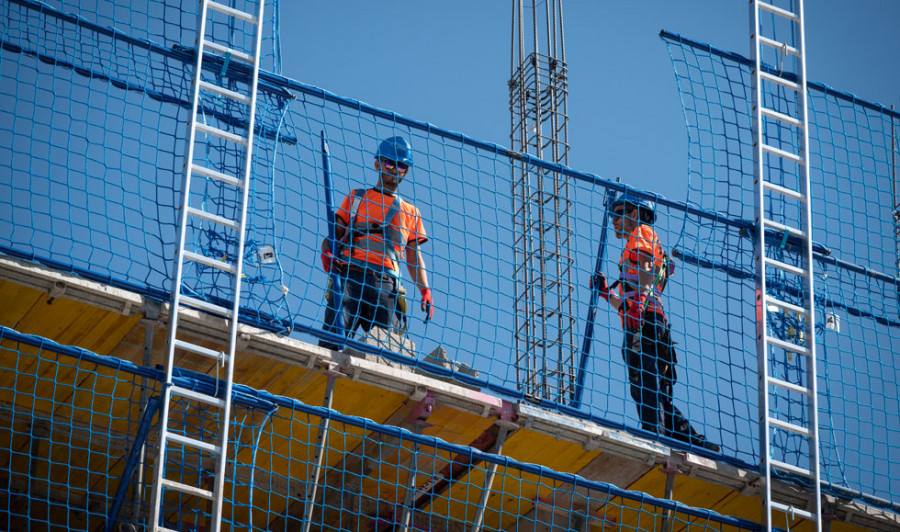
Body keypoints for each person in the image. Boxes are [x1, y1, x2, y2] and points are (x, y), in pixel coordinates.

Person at [593, 193, 719, 452]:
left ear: (635, 214)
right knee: (651, 388)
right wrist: (607, 294)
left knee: (646, 383)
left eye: (618, 213)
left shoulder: (642, 232)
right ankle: (689, 438)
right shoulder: (637, 243)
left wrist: (637, 300)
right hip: (644, 319)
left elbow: (647, 273)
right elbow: (634, 294)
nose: (613, 221)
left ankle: (655, 436)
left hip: (645, 321)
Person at [318, 136, 433, 350]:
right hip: (351, 277)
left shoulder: (411, 212)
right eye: (390, 163)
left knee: (387, 352)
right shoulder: (357, 198)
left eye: (401, 166)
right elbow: (334, 235)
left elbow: (413, 256)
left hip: (386, 285)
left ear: (406, 171)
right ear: (378, 164)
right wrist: (326, 253)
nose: (395, 169)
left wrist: (425, 290)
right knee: (332, 343)